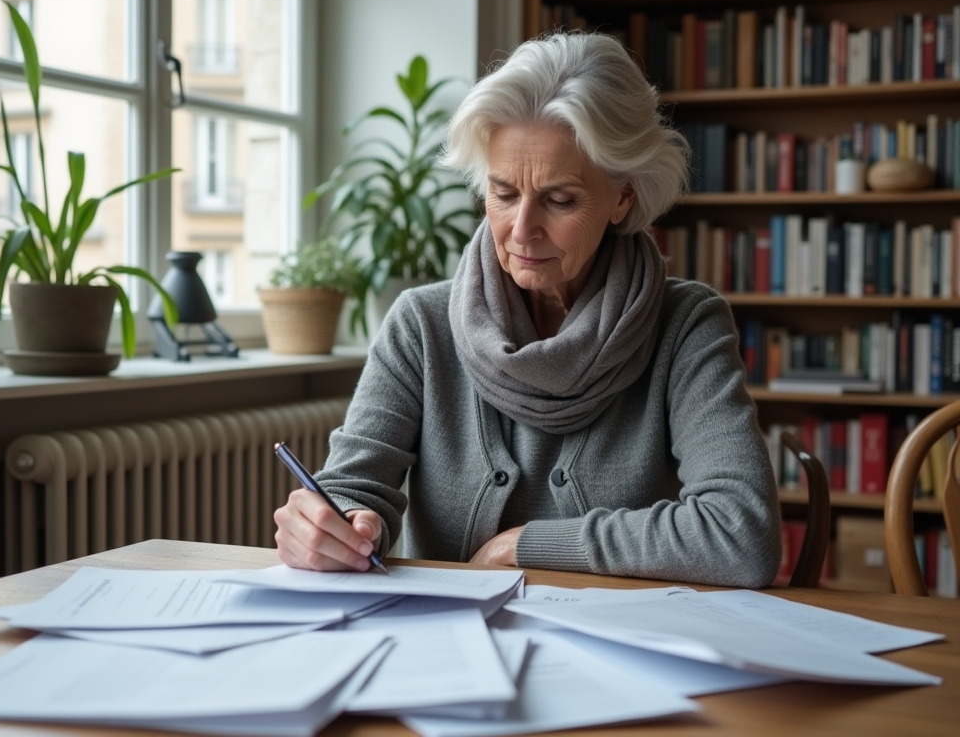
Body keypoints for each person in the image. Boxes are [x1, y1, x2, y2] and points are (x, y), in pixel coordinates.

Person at [273, 32, 782, 588]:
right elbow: (353, 488)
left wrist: (524, 547)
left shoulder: (686, 326)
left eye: (560, 200)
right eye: (504, 193)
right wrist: (333, 525)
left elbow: (742, 534)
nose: (521, 231)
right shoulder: (420, 324)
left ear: (624, 196)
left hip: (620, 651)